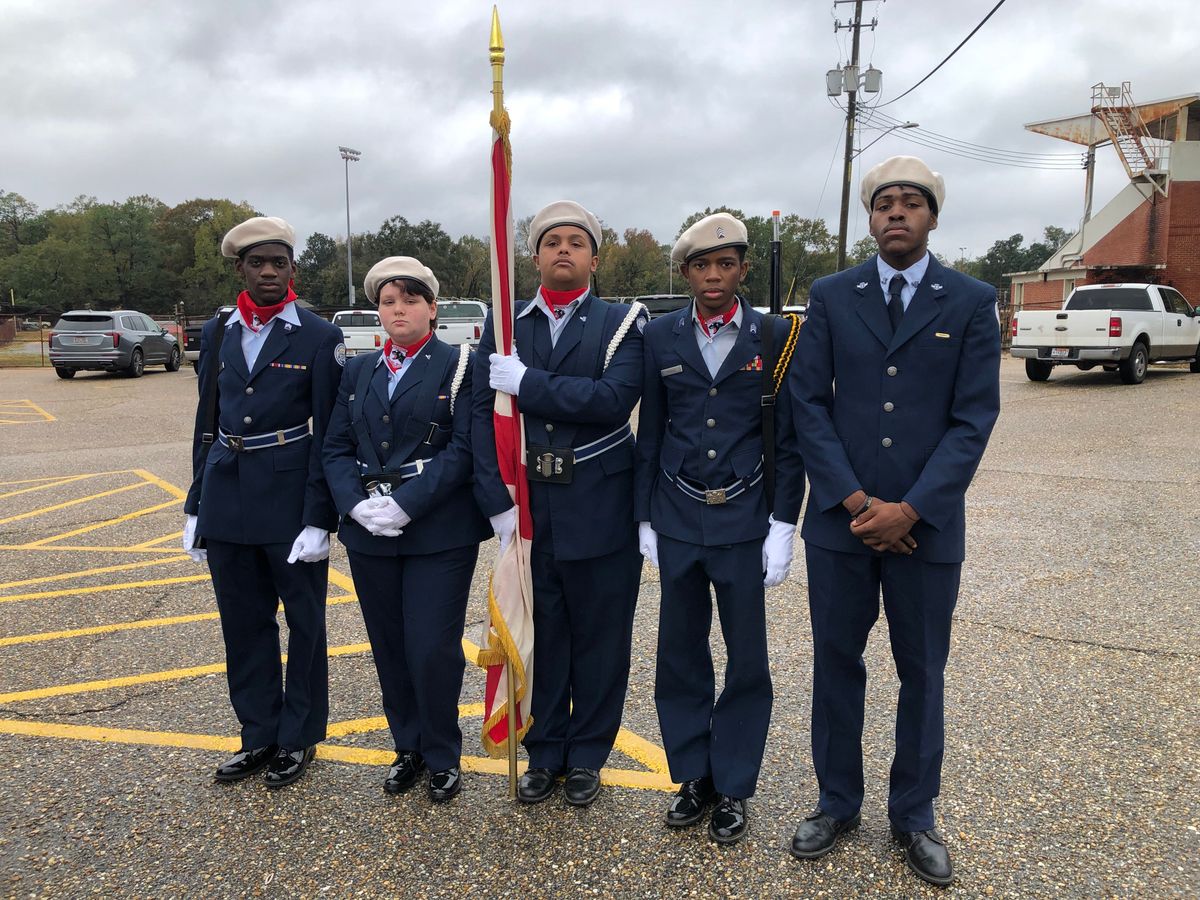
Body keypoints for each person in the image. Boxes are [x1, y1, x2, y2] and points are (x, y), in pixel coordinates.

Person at [787, 157, 1001, 886]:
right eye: (885, 204)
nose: (897, 214)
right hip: (841, 527)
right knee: (836, 666)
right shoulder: (831, 295)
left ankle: (915, 815)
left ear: (933, 218)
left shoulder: (970, 300)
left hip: (926, 530)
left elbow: (974, 418)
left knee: (923, 674)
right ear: (872, 217)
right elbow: (807, 404)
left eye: (912, 203)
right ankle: (836, 802)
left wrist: (910, 509)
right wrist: (854, 503)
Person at [634, 213, 806, 843]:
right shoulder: (661, 334)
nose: (714, 275)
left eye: (726, 263)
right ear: (686, 273)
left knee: (746, 661)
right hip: (677, 516)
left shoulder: (775, 335)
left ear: (741, 269)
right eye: (702, 265)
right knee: (679, 654)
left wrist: (784, 522)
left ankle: (733, 784)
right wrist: (644, 515)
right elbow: (649, 430)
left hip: (743, 518)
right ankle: (693, 776)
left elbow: (787, 440)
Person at [472, 200, 646, 807]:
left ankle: (587, 755)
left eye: (576, 241)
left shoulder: (623, 323)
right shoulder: (506, 325)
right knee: (542, 633)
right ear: (535, 256)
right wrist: (496, 501)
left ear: (595, 258)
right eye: (552, 242)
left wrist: (529, 384)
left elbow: (612, 398)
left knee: (601, 637)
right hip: (532, 508)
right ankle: (544, 750)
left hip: (601, 502)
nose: (563, 250)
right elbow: (481, 416)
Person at [182, 216, 345, 788]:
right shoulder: (218, 330)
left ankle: (298, 738)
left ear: (293, 269)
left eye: (279, 262)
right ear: (240, 269)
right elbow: (207, 419)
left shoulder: (319, 336)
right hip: (227, 491)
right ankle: (257, 734)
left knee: (304, 623)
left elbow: (329, 434)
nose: (269, 271)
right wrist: (196, 503)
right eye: (258, 263)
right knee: (243, 624)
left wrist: (319, 517)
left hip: (288, 494)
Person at [323, 256, 490, 803]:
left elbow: (465, 449)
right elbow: (336, 446)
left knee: (432, 647)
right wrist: (354, 504)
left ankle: (442, 752)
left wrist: (407, 504)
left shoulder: (459, 365)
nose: (399, 310)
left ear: (432, 309)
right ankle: (408, 748)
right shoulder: (360, 369)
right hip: (371, 528)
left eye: (410, 300)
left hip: (438, 529)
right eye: (388, 301)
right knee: (389, 646)